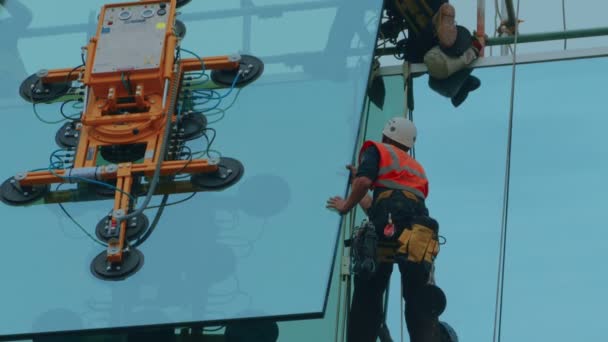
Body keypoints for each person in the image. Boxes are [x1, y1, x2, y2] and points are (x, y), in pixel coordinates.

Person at [327, 117, 443, 342]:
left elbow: (365, 185)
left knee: (369, 294)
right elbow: (385, 206)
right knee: (418, 300)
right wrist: (357, 191)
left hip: (387, 229)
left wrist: (346, 205)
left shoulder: (377, 150)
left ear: (387, 135)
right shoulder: (415, 168)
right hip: (416, 235)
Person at [386, 1, 482, 107]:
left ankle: (437, 27)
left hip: (428, 43)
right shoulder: (439, 73)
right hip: (426, 38)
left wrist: (475, 48)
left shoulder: (439, 67)